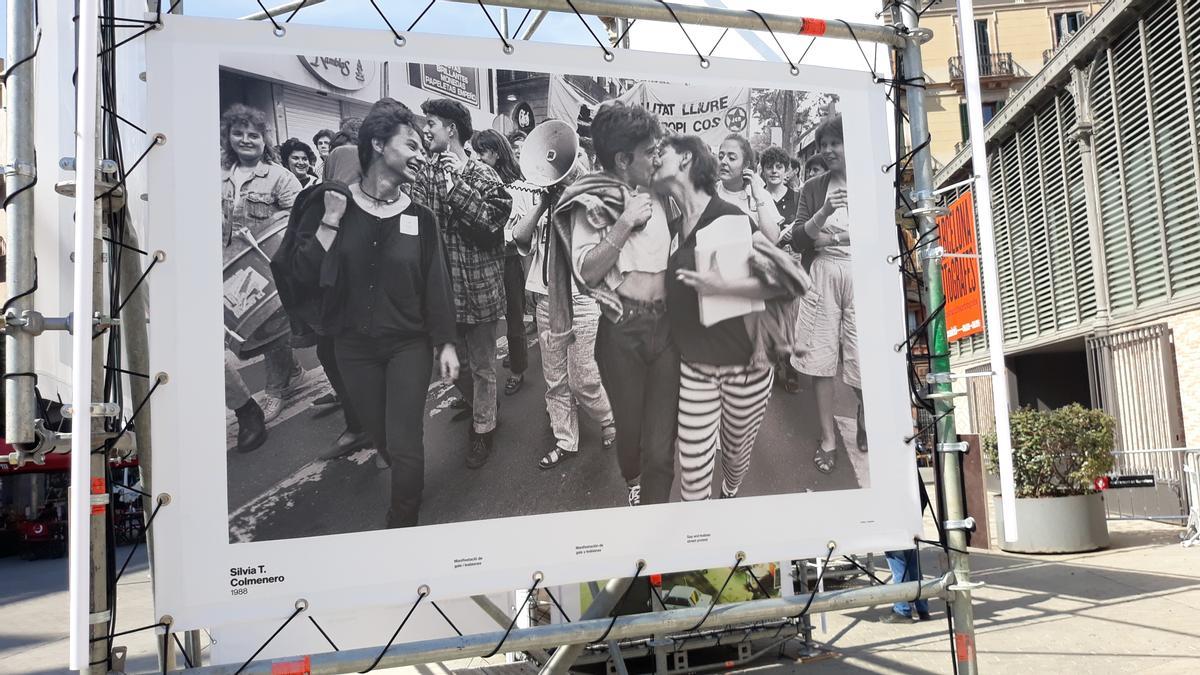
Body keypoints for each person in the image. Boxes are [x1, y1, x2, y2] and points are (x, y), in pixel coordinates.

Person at [288, 99, 459, 528]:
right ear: (379, 144)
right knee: (380, 436)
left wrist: (446, 342)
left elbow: (436, 284)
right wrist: (328, 220)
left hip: (408, 345)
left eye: (424, 145)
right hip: (352, 347)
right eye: (412, 144)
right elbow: (301, 275)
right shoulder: (334, 206)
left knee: (404, 444)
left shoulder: (421, 219)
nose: (421, 153)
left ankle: (402, 522)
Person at [557, 101, 677, 507]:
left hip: (665, 330)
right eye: (650, 151)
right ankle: (633, 480)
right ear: (624, 159)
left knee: (661, 444)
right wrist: (624, 223)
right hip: (622, 331)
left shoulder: (666, 196)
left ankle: (654, 516)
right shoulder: (593, 200)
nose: (658, 157)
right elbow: (587, 273)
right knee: (631, 431)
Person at [656, 135, 789, 500]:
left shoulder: (731, 218)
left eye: (659, 153)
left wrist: (725, 286)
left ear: (685, 161)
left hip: (745, 366)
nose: (652, 159)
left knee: (733, 456)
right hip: (694, 367)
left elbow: (792, 279)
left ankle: (730, 492)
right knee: (693, 477)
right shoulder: (671, 227)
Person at [412, 98, 512, 469]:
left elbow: (491, 226)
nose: (426, 130)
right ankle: (481, 403)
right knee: (453, 365)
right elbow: (418, 225)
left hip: (480, 289)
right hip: (443, 293)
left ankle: (483, 428)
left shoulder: (483, 174)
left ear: (451, 129)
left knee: (484, 365)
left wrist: (457, 186)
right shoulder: (424, 174)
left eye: (431, 124)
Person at [512, 148, 616, 469]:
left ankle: (609, 415)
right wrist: (544, 204)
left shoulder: (590, 205)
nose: (564, 173)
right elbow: (520, 236)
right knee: (555, 377)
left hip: (582, 299)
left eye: (573, 165)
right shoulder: (543, 204)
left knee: (583, 378)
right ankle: (565, 439)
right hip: (547, 299)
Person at [220, 103, 307, 451]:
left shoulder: (278, 176)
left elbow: (299, 215)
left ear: (264, 139)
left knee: (272, 325)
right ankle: (295, 372)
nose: (246, 139)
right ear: (228, 137)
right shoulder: (219, 173)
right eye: (238, 133)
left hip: (268, 265)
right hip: (227, 266)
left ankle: (276, 389)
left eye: (253, 134)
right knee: (251, 329)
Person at [790, 115, 865, 474]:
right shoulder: (813, 189)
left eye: (835, 143)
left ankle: (865, 414)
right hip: (821, 275)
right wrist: (826, 211)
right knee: (820, 360)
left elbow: (880, 232)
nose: (828, 150)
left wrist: (832, 237)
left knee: (862, 355)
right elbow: (803, 238)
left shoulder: (868, 183)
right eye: (824, 145)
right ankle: (828, 439)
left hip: (861, 274)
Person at [472, 129, 529, 397]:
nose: (479, 158)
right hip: (485, 255)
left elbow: (522, 224)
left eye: (482, 152)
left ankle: (517, 369)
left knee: (514, 316)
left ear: (496, 152)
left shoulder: (518, 184)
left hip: (508, 256)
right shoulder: (481, 178)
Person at [714, 134, 783, 242]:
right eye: (721, 156)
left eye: (731, 158)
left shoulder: (761, 195)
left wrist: (758, 200)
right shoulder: (708, 193)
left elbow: (772, 238)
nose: (723, 161)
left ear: (745, 165)